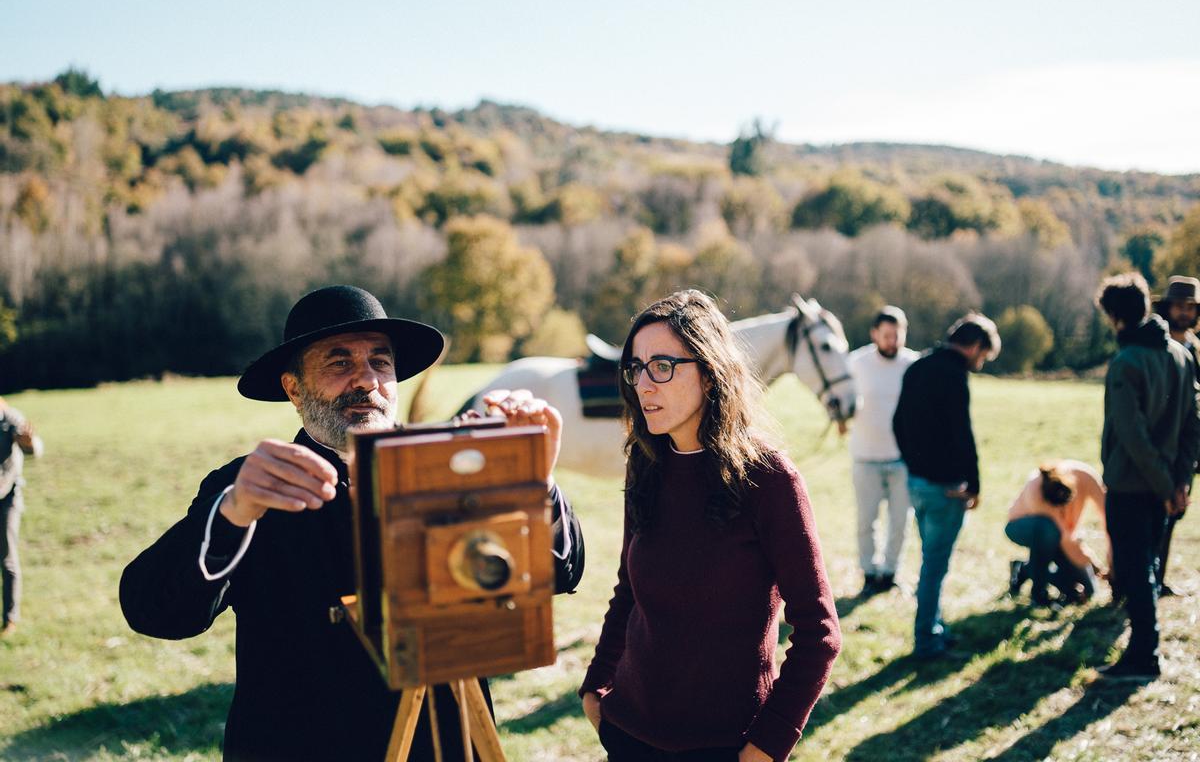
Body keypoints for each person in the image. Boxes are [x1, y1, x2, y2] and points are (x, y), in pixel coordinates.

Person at [120, 285, 585, 761]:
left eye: (380, 362)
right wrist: (235, 511)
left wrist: (535, 483)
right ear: (294, 389)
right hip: (304, 744)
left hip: (439, 740)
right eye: (339, 363)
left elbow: (560, 572)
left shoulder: (444, 469)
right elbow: (155, 611)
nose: (366, 380)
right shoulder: (251, 485)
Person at [578, 290, 841, 762]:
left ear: (710, 369)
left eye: (662, 366)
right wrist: (596, 687)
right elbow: (628, 590)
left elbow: (819, 632)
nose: (644, 385)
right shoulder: (645, 463)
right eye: (636, 368)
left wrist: (768, 744)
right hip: (627, 733)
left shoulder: (769, 479)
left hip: (726, 746)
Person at [1094, 273, 1199, 681]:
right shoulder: (1182, 354)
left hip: (1131, 486)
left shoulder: (1126, 362)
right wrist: (1179, 483)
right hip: (1165, 488)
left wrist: (1165, 485)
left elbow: (1132, 436)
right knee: (1149, 569)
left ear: (1115, 317)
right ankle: (1145, 650)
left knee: (1136, 574)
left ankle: (1143, 657)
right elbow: (1194, 426)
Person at [892, 312, 1000, 659]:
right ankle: (926, 640)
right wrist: (974, 483)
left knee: (930, 560)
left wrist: (912, 465)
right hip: (946, 488)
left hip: (917, 482)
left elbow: (897, 423)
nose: (980, 363)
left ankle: (934, 626)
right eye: (983, 355)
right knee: (935, 566)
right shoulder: (953, 375)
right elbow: (960, 432)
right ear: (973, 346)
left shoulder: (918, 366)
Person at [848, 306, 920, 594]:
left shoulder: (913, 364)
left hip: (903, 459)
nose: (892, 341)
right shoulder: (856, 363)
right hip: (865, 456)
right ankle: (869, 571)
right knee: (866, 520)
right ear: (874, 334)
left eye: (897, 335)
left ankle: (890, 572)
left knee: (900, 522)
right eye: (887, 335)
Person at [1152, 274, 1200, 597]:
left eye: (1190, 307)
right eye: (1178, 306)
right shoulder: (1155, 345)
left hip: (1187, 443)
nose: (1184, 313)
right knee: (1153, 512)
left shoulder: (1196, 349)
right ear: (1168, 308)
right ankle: (1144, 580)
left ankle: (1160, 576)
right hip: (1158, 443)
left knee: (1176, 511)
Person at [1005, 460, 1107, 606]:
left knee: (1090, 590)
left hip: (1060, 537)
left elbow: (1109, 515)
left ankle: (1024, 569)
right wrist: (1094, 565)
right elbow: (1065, 540)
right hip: (1023, 528)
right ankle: (1039, 593)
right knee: (1047, 534)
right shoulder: (1037, 489)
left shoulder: (1085, 476)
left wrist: (1108, 562)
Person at [1, 396, 43, 638]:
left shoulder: (10, 418)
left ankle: (10, 619)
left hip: (7, 496)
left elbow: (34, 447)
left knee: (7, 558)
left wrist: (28, 443)